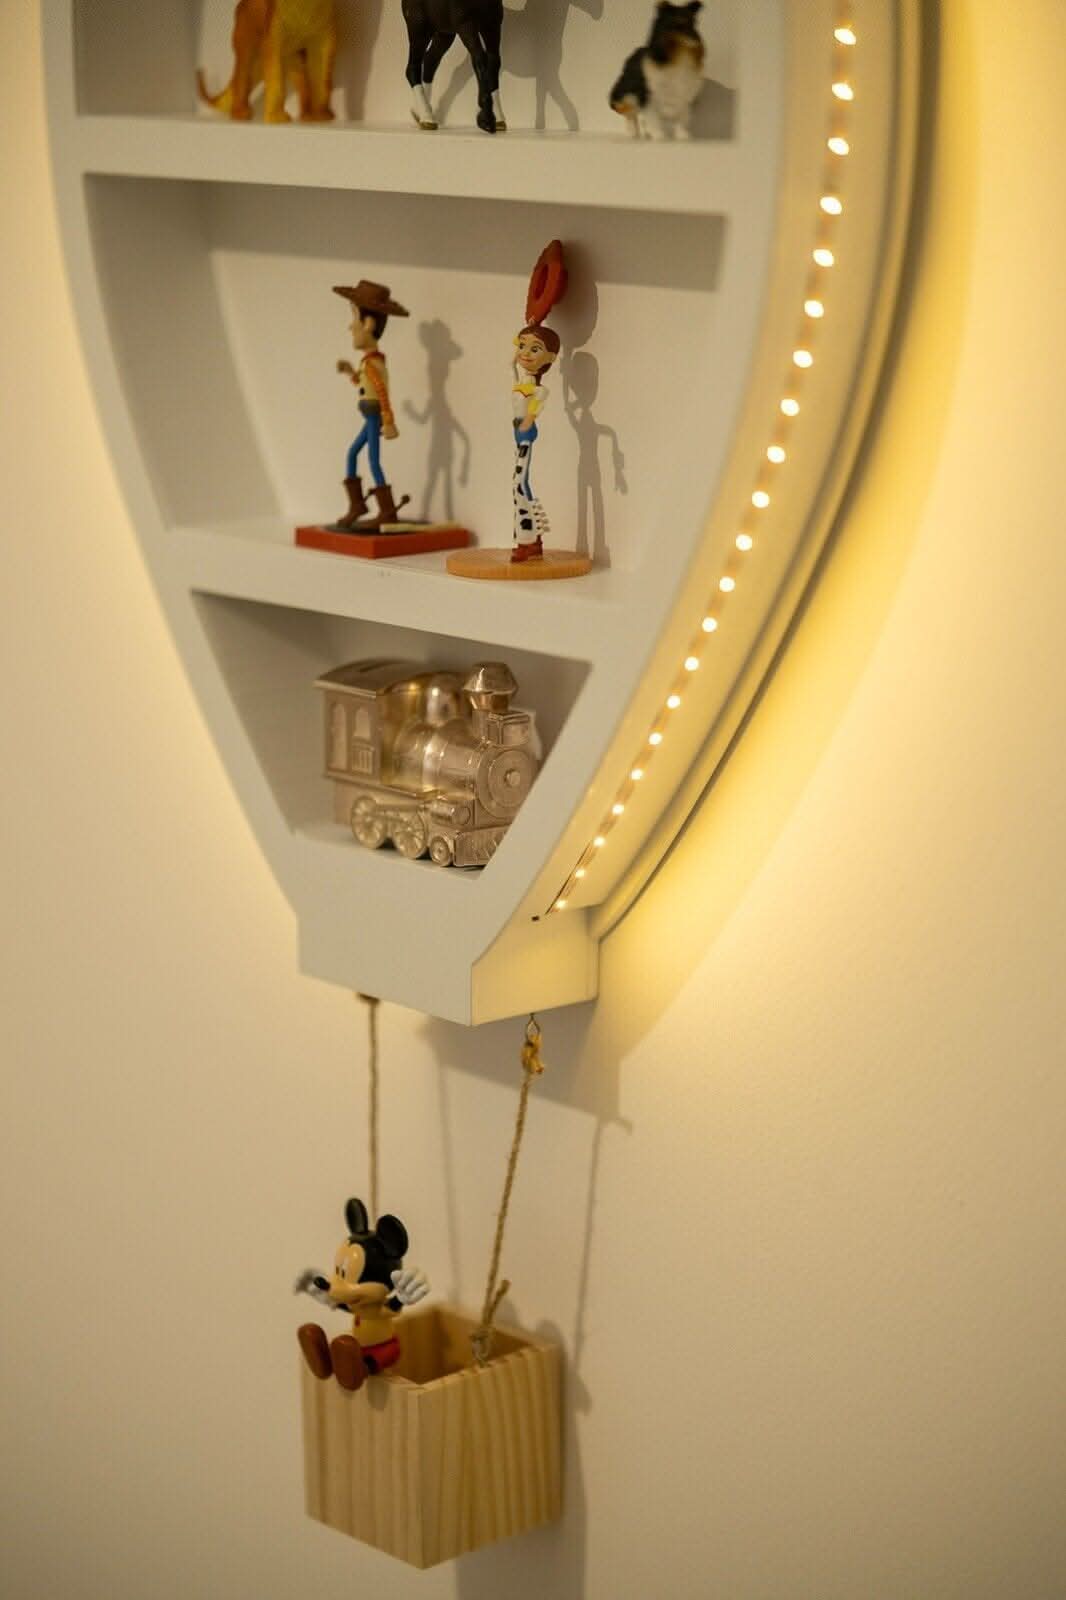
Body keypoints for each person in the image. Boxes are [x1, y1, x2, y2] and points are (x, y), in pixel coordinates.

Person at [333, 280, 410, 529]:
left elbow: (381, 391)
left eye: (354, 318)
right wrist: (350, 373)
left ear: (368, 324)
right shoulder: (368, 362)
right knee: (352, 453)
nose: (350, 327)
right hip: (370, 417)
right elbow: (365, 385)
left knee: (373, 461)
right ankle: (357, 504)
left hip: (375, 418)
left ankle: (386, 511)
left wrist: (388, 419)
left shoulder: (374, 363)